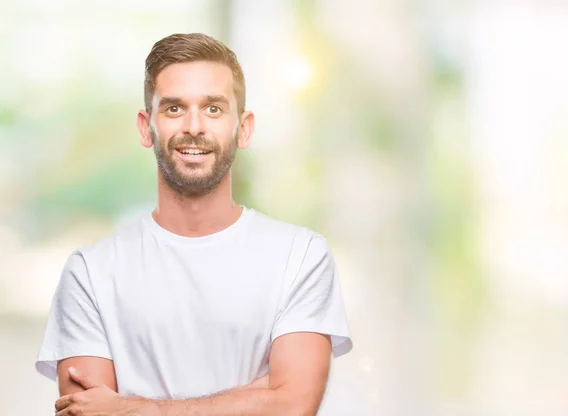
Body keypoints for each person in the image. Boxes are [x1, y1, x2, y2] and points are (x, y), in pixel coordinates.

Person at [35, 32, 353, 415]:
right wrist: (257, 397)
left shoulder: (300, 257)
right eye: (173, 109)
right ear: (145, 126)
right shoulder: (90, 273)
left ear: (245, 127)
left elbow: (292, 406)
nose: (194, 126)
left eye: (214, 109)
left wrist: (133, 408)